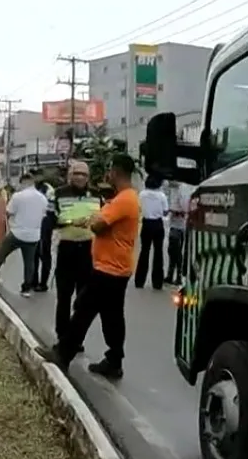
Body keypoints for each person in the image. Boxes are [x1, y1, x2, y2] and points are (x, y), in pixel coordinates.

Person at [37, 153, 140, 380]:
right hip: (114, 267)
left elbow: (98, 225)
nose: (107, 174)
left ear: (117, 171)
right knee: (112, 315)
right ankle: (114, 361)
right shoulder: (124, 198)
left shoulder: (124, 199)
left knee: (83, 309)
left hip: (109, 268)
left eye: (110, 169)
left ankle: (63, 354)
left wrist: (94, 220)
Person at [50, 160, 102, 350]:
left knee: (83, 299)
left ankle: (76, 338)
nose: (80, 177)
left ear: (88, 177)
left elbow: (102, 219)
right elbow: (52, 220)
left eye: (83, 174)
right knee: (64, 296)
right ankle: (62, 335)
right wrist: (73, 221)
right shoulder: (58, 194)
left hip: (89, 250)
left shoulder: (97, 195)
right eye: (76, 173)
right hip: (67, 248)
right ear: (70, 175)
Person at [0, 172, 48, 297]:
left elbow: (8, 212)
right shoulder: (42, 198)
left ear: (23, 182)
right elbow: (43, 215)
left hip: (17, 233)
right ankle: (26, 288)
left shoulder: (18, 196)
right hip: (33, 236)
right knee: (29, 263)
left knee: (0, 255)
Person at [135, 175, 169, 290]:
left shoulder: (142, 194)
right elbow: (165, 212)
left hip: (146, 224)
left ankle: (139, 280)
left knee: (144, 251)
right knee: (158, 253)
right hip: (158, 224)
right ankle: (157, 282)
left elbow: (138, 208)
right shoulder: (162, 196)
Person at [32, 170, 57, 292]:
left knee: (44, 253)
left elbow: (51, 210)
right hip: (32, 225)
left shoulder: (48, 190)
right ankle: (33, 280)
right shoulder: (30, 189)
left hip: (45, 223)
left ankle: (43, 282)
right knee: (33, 254)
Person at [165, 180, 193, 285]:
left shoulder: (182, 189)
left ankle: (179, 276)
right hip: (174, 225)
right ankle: (170, 275)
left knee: (176, 253)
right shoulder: (174, 190)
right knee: (172, 251)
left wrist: (176, 211)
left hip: (179, 226)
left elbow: (186, 208)